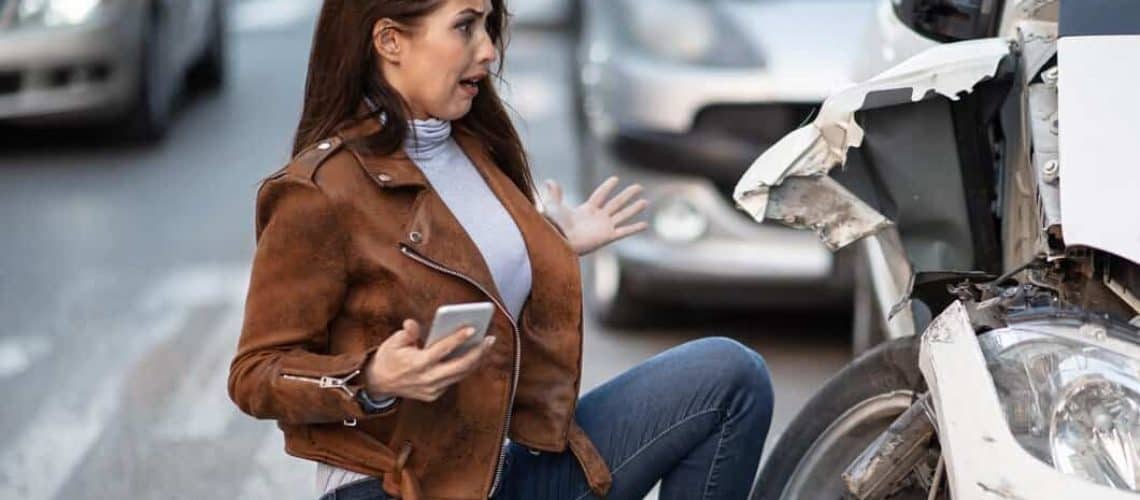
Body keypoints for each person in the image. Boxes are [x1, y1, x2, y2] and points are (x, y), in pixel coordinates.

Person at [226, 1, 774, 499]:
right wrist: (371, 378)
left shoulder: (469, 143)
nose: (488, 48)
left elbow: (468, 266)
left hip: (501, 474)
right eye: (465, 26)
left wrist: (547, 244)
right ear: (390, 41)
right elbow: (255, 372)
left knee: (729, 377)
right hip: (398, 488)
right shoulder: (319, 191)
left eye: (489, 24)